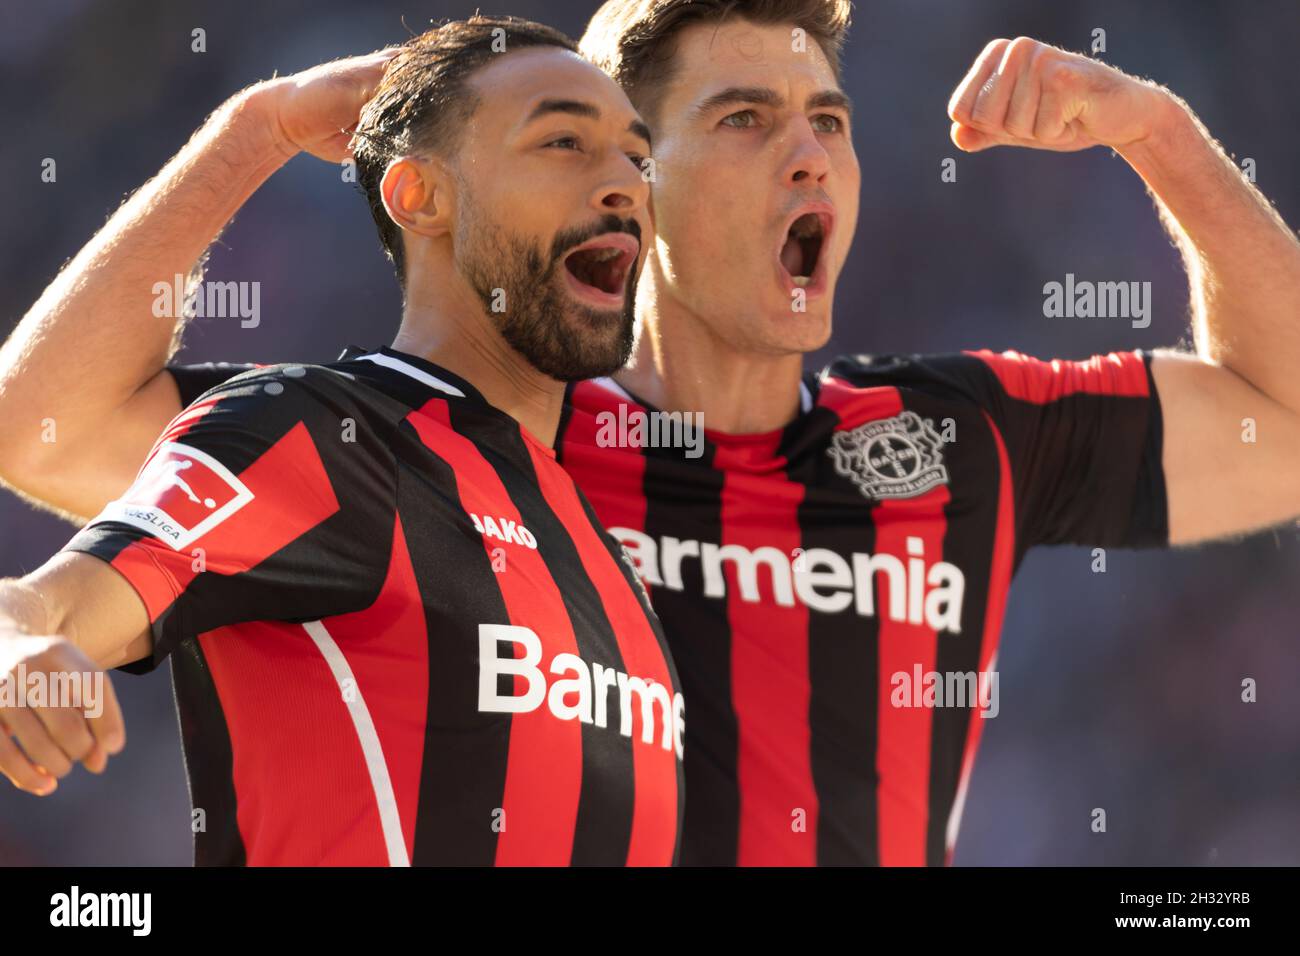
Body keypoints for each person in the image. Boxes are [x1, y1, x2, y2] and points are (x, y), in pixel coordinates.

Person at [5, 1, 1300, 866]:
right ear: (635, 189)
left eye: (829, 123)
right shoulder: (471, 443)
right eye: (744, 119)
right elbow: (48, 432)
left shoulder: (961, 443)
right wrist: (253, 135)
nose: (810, 157)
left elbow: (1283, 423)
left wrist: (1161, 132)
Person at [0, 16, 685, 867]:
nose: (624, 181)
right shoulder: (323, 434)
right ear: (419, 197)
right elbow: (40, 560)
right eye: (563, 143)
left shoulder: (606, 542)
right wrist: (259, 131)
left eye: (635, 154)